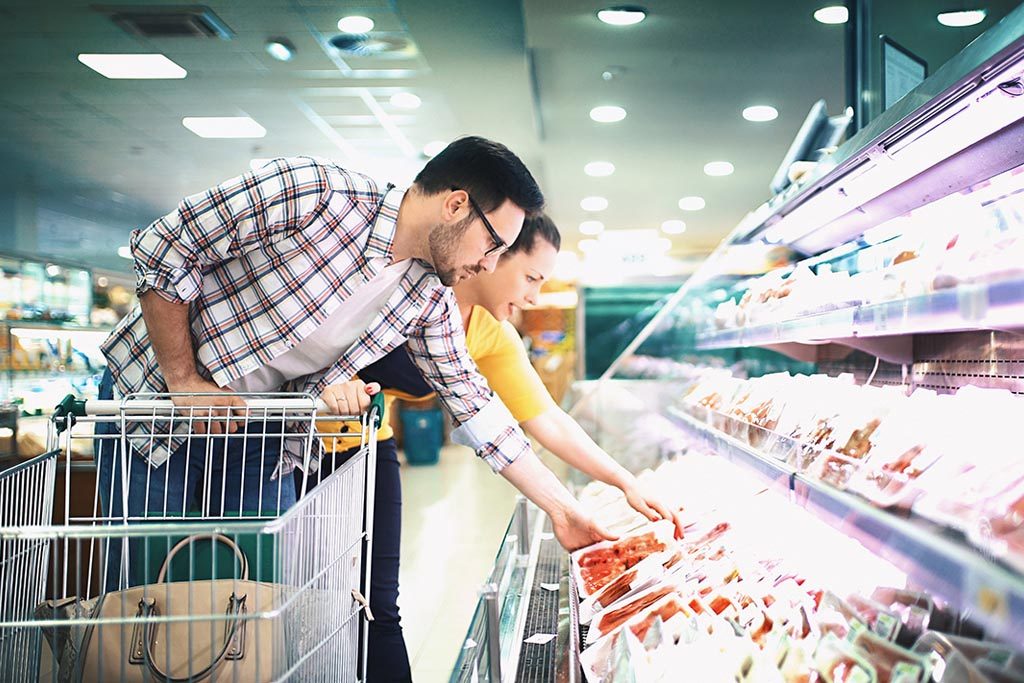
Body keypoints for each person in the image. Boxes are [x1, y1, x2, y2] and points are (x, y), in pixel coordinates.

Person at [96, 138, 615, 597]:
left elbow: (477, 407)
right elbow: (166, 245)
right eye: (493, 244)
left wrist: (563, 510)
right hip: (154, 410)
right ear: (457, 205)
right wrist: (184, 380)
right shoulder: (315, 192)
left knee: (250, 603)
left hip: (260, 432)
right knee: (150, 596)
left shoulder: (426, 295)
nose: (489, 264)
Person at [308, 214, 679, 682]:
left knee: (378, 602)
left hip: (366, 442)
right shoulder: (401, 291)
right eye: (530, 277)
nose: (533, 297)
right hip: (286, 439)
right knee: (310, 602)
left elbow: (545, 419)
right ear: (494, 253)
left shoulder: (488, 332)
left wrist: (624, 482)